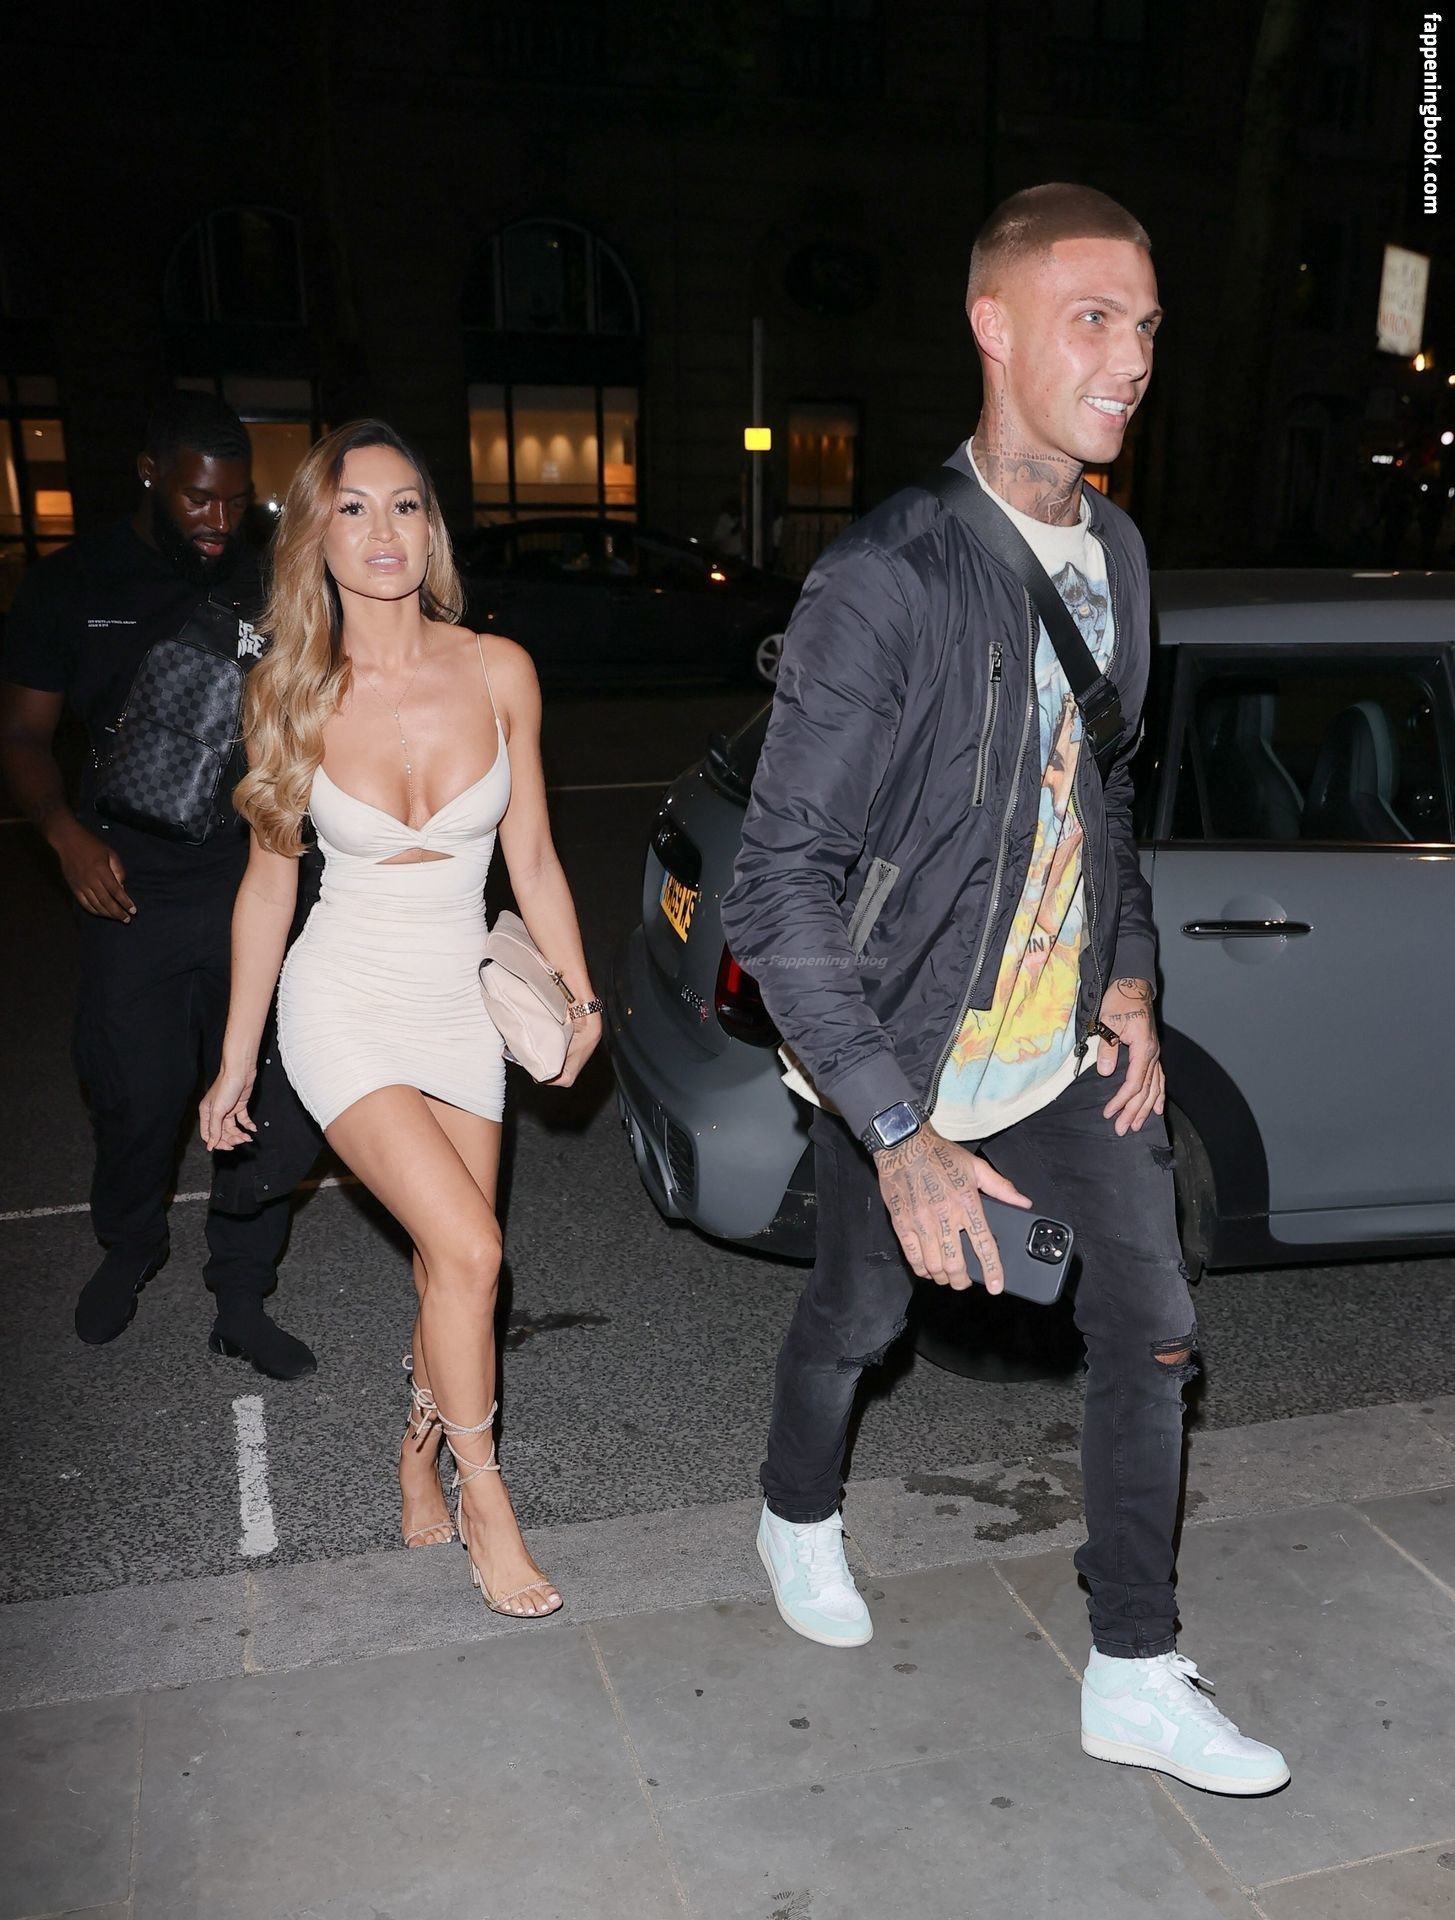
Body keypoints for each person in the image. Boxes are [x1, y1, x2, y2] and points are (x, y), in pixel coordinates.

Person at [721, 184, 1289, 1796]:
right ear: (991, 324)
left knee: (1154, 1327)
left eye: (1145, 327)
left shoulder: (1117, 549)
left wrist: (1128, 975)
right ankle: (792, 1508)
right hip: (896, 1049)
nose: (1129, 359)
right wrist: (895, 1133)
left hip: (1053, 1044)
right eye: (1090, 318)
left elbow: (1106, 790)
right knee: (859, 1313)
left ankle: (1131, 1668)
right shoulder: (885, 578)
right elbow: (777, 886)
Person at [199, 419, 602, 1615]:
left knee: (447, 1268)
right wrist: (235, 1059)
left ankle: (416, 1449)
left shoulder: (498, 669)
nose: (385, 530)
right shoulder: (289, 688)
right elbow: (268, 888)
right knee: (477, 1251)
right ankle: (488, 1495)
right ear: (316, 537)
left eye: (407, 505)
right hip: (345, 997)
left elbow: (533, 853)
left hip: (460, 1000)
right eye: (355, 507)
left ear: (433, 530)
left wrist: (579, 996)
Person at [0, 391, 318, 1378]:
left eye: (236, 501)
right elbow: (21, 733)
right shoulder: (70, 584)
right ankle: (130, 1246)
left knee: (263, 1091)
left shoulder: (273, 582)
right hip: (127, 885)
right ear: (150, 475)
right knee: (133, 1095)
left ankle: (241, 1293)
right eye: (198, 499)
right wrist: (61, 833)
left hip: (254, 879)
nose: (220, 520)